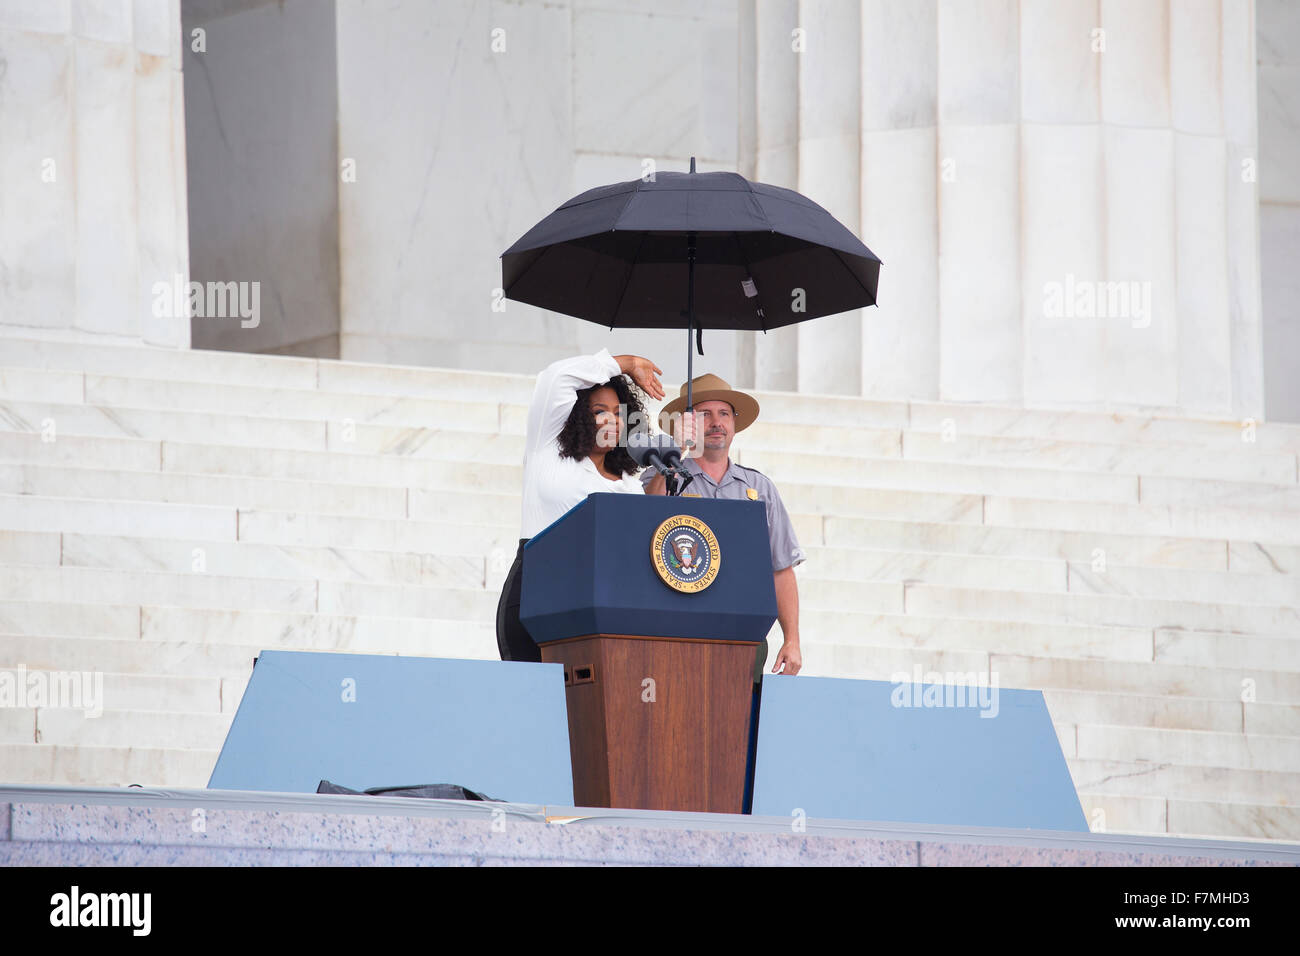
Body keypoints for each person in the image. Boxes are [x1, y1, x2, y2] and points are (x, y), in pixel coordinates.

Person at [496, 347, 677, 663]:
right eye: (600, 411)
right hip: (539, 589)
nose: (613, 420)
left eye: (619, 413)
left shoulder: (628, 483)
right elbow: (555, 378)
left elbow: (644, 533)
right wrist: (625, 364)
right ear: (578, 415)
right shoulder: (547, 448)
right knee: (531, 698)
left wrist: (667, 469)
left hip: (600, 603)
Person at [643, 373, 805, 683]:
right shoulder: (663, 475)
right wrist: (674, 451)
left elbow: (781, 568)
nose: (717, 422)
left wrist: (792, 639)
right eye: (704, 414)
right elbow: (644, 514)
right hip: (678, 631)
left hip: (743, 633)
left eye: (724, 413)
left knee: (738, 726)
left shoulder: (760, 488)